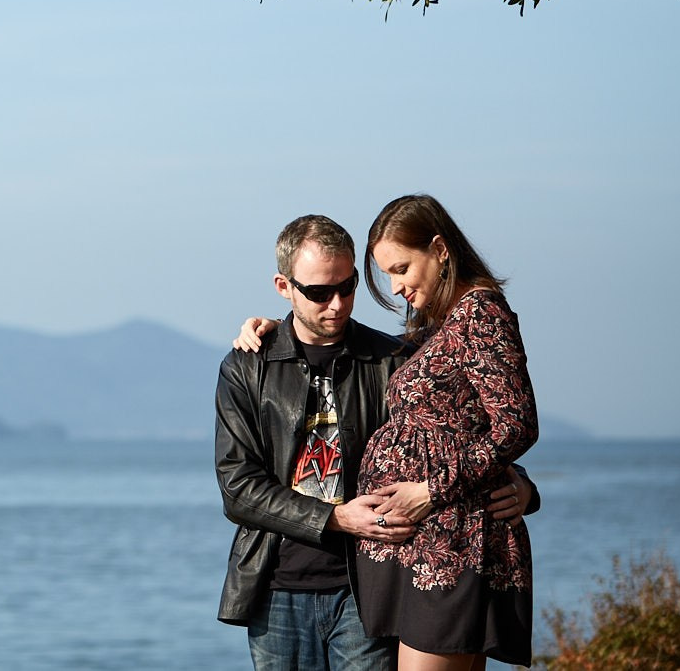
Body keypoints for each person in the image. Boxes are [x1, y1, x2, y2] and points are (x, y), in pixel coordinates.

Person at [215, 215, 534, 671]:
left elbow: (460, 427)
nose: (338, 304)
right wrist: (337, 518)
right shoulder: (249, 367)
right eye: (319, 293)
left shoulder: (392, 359)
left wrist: (520, 483)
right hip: (275, 587)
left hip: (367, 584)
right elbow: (238, 487)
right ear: (284, 286)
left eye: (347, 287)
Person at [351, 195, 538, 670]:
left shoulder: (481, 313)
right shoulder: (445, 322)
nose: (394, 286)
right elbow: (468, 422)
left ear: (439, 249)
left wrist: (431, 491)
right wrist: (280, 327)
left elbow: (516, 424)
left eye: (401, 268)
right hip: (432, 547)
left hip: (452, 547)